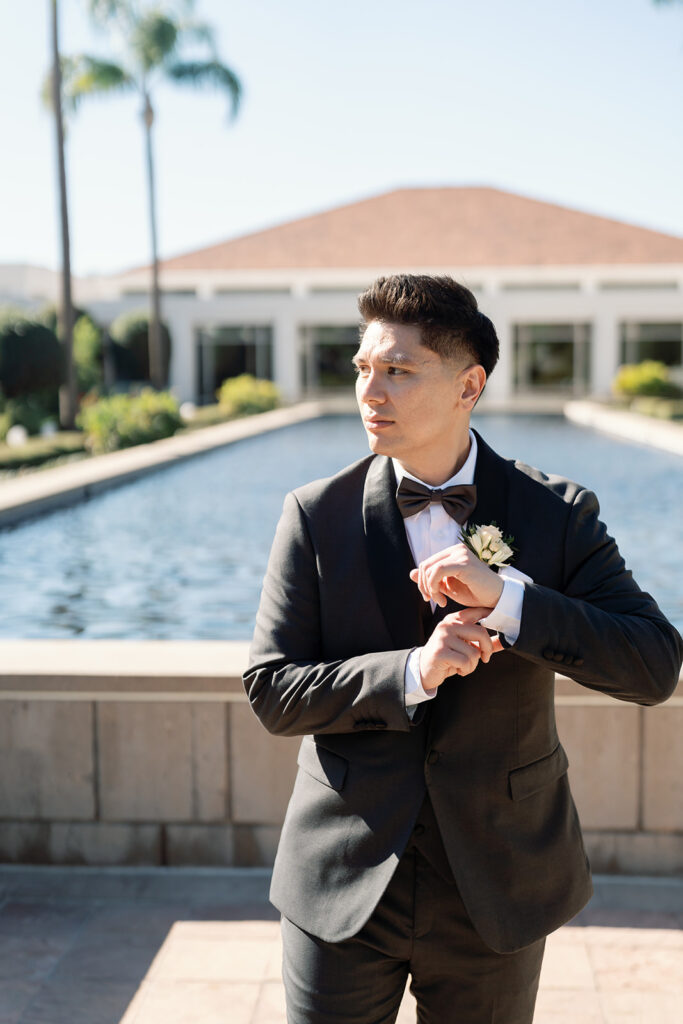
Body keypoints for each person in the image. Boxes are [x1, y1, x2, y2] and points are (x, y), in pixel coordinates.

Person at [243, 274, 683, 1024]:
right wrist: (410, 673)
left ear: (468, 384)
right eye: (363, 369)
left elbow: (652, 666)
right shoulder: (315, 515)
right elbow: (272, 689)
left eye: (398, 371)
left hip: (500, 879)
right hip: (343, 874)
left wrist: (511, 602)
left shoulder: (558, 515)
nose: (369, 391)